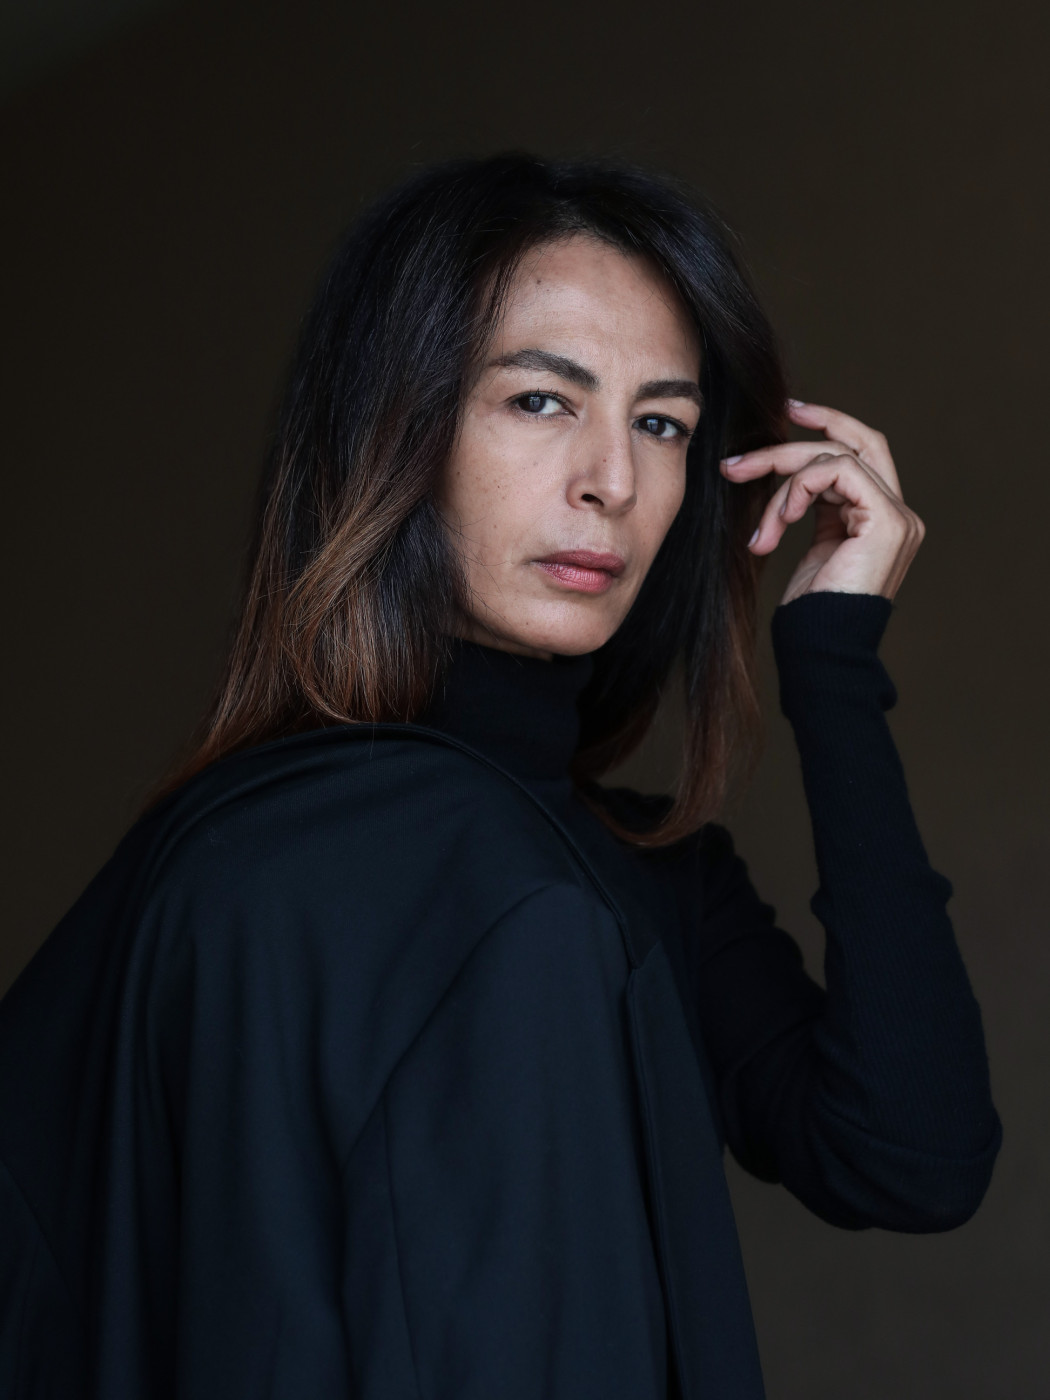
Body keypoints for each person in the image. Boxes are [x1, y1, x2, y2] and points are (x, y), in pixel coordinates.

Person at [0, 151, 1001, 1399]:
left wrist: (835, 666)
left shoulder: (642, 870)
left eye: (662, 423)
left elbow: (909, 1156)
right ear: (397, 429)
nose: (612, 480)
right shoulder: (268, 860)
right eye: (539, 400)